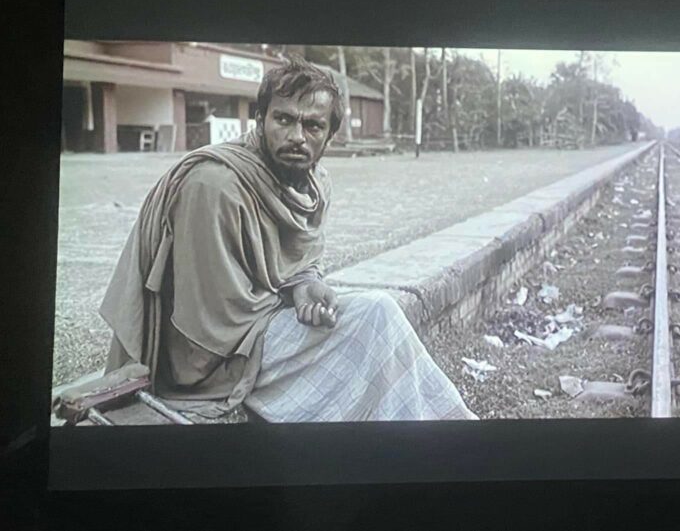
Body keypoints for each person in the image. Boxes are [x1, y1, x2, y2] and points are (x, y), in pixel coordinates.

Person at [100, 56, 476, 422]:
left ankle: (444, 433)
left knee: (379, 314)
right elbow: (212, 319)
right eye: (284, 119)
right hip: (209, 358)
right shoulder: (214, 184)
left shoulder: (314, 181)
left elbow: (299, 265)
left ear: (330, 136)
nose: (297, 137)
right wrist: (290, 295)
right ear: (260, 119)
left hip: (254, 326)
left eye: (313, 126)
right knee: (375, 316)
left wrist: (304, 285)